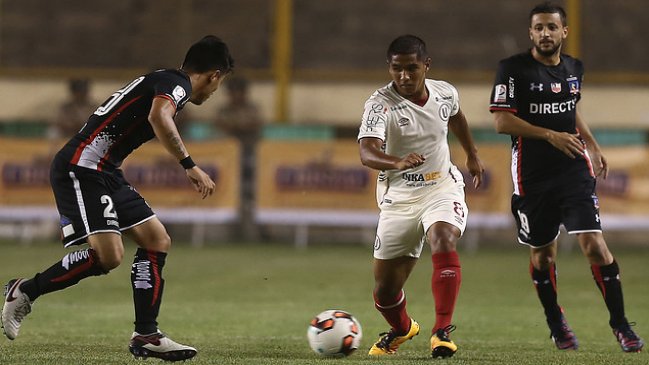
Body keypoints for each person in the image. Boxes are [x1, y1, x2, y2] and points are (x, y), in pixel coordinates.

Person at [1, 35, 234, 361]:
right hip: (82, 167)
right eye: (218, 85)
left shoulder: (165, 78)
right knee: (108, 257)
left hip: (105, 171)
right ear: (215, 75)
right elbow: (159, 116)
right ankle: (25, 290)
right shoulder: (177, 84)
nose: (213, 92)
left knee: (156, 239)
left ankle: (146, 335)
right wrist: (190, 166)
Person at [489, 2, 644, 353]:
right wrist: (549, 135)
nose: (546, 33)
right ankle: (556, 321)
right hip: (531, 177)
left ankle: (621, 325)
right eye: (539, 28)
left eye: (552, 27)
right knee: (543, 257)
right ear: (531, 33)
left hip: (573, 169)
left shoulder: (575, 67)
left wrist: (592, 144)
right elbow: (501, 122)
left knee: (594, 244)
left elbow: (571, 111)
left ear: (564, 32)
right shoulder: (512, 69)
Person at [358, 34, 484, 358]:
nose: (404, 76)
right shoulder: (379, 104)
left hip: (441, 186)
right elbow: (367, 151)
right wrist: (396, 162)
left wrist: (471, 154)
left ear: (426, 66)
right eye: (397, 69)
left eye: (412, 68)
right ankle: (402, 329)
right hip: (399, 197)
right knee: (385, 291)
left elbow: (456, 116)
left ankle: (441, 331)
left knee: (443, 237)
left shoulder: (445, 93)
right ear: (389, 68)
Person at [214, 76, 263, 241]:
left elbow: (252, 124)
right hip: (227, 162)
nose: (235, 96)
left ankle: (259, 234)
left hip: (249, 157)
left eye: (238, 92)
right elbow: (221, 126)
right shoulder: (223, 110)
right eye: (232, 92)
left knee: (254, 195)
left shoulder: (252, 109)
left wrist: (235, 126)